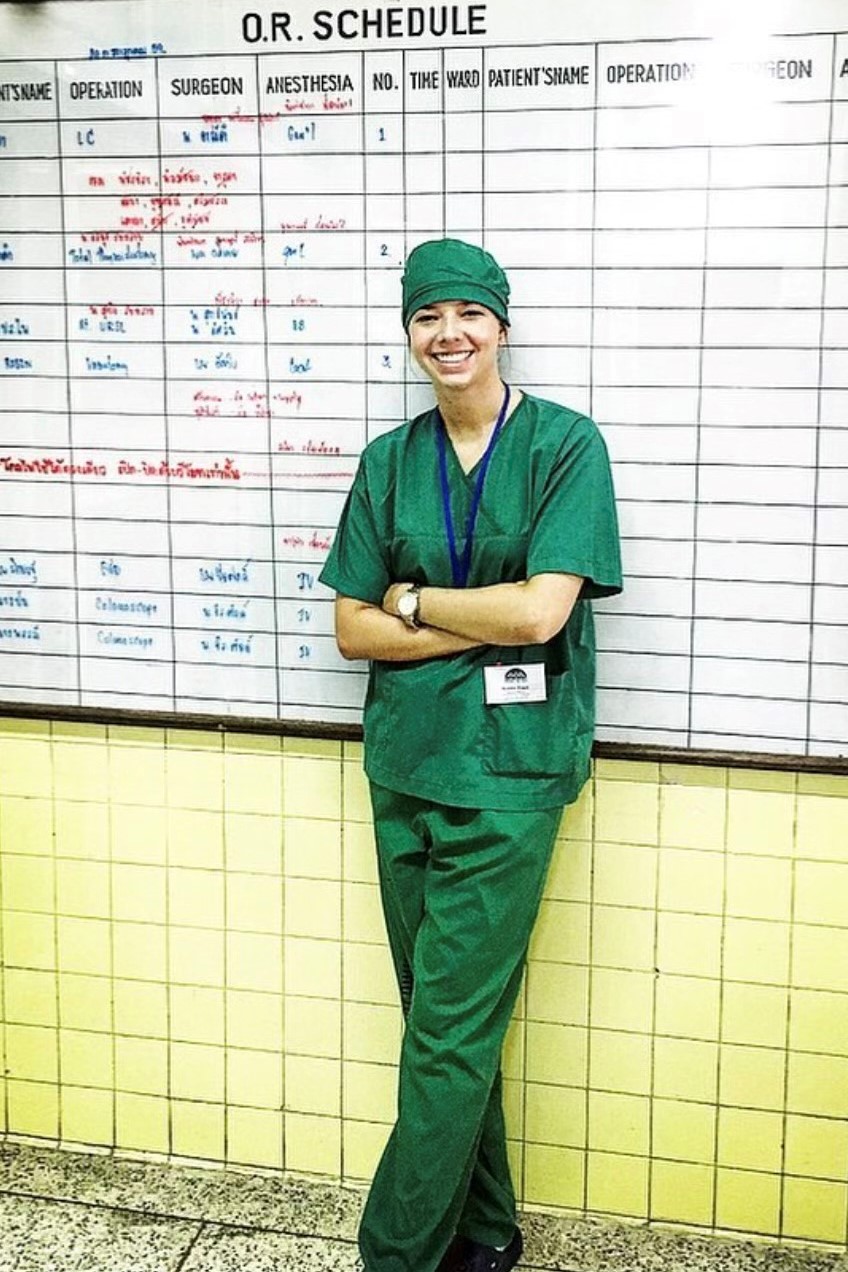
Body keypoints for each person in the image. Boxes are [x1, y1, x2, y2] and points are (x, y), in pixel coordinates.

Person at [319, 238, 622, 1272]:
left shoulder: (564, 446)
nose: (447, 334)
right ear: (410, 333)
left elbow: (540, 616)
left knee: (447, 1029)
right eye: (426, 316)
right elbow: (350, 630)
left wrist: (409, 600)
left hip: (510, 776)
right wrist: (477, 615)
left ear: (500, 325)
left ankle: (393, 1256)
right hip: (405, 765)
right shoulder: (387, 461)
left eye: (467, 314)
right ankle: (486, 1230)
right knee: (444, 1020)